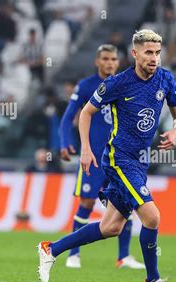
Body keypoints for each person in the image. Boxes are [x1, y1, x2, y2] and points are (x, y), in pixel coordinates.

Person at [38, 29, 176, 282]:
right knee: (152, 216)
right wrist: (85, 149)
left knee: (111, 227)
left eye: (157, 53)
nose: (154, 58)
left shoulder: (166, 78)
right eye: (149, 53)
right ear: (135, 54)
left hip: (141, 162)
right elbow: (86, 112)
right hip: (119, 159)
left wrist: (175, 132)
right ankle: (153, 280)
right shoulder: (118, 83)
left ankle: (51, 249)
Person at [58, 44, 145, 270]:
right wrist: (65, 142)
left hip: (119, 158)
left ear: (118, 62)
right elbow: (68, 118)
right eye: (105, 58)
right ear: (97, 61)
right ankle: (73, 254)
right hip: (94, 157)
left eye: (113, 59)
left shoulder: (125, 84)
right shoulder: (86, 86)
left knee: (126, 203)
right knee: (86, 202)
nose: (109, 63)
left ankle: (123, 256)